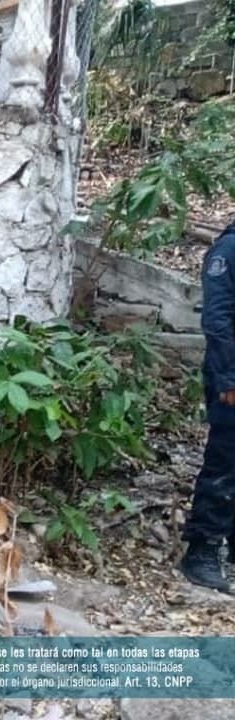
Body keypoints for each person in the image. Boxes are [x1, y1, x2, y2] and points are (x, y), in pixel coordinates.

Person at [180, 217, 235, 593]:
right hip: (230, 375)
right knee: (226, 463)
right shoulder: (228, 251)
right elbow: (217, 319)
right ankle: (202, 551)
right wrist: (229, 378)